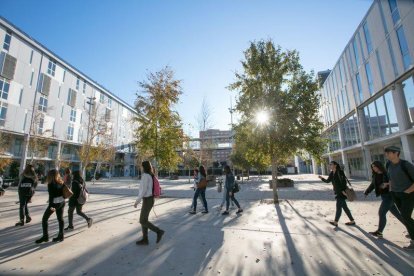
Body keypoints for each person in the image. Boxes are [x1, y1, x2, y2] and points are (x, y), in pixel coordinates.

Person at [384, 145, 414, 250]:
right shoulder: (388, 164)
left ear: (396, 153)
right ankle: (412, 232)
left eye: (388, 152)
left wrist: (408, 191)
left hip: (408, 195)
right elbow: (390, 178)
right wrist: (391, 190)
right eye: (386, 153)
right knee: (405, 217)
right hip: (395, 194)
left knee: (405, 216)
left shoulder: (406, 165)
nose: (386, 154)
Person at [364, 161, 405, 238]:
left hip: (389, 197)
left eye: (375, 166)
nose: (374, 168)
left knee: (381, 213)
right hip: (384, 197)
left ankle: (379, 232)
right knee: (398, 215)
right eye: (372, 167)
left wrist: (386, 184)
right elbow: (373, 184)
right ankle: (411, 229)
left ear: (379, 166)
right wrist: (367, 192)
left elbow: (395, 181)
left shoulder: (386, 173)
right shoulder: (375, 175)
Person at [133, 161, 164, 245]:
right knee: (144, 220)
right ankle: (145, 239)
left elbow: (143, 190)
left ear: (144, 167)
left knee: (142, 220)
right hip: (148, 199)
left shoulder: (145, 176)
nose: (141, 168)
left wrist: (137, 202)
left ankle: (158, 231)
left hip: (147, 200)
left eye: (141, 166)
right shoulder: (150, 175)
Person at [318, 161, 355, 226]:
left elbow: (344, 182)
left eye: (331, 164)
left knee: (338, 208)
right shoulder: (332, 173)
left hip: (342, 193)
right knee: (345, 208)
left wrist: (343, 190)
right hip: (337, 192)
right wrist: (322, 178)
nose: (330, 166)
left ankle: (335, 222)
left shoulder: (340, 172)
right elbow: (327, 181)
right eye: (329, 164)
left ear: (335, 165)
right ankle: (352, 221)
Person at [35, 169, 66, 243]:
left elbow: (51, 197)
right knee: (60, 219)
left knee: (44, 219)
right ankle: (61, 236)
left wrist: (51, 206)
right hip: (62, 203)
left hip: (54, 205)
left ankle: (45, 236)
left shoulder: (51, 184)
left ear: (50, 176)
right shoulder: (61, 182)